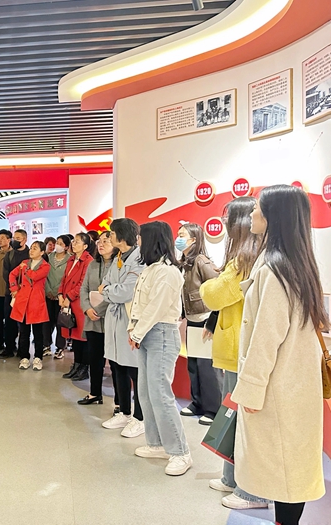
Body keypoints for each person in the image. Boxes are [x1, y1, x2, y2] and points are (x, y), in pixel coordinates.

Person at [231, 185, 327, 525]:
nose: (252, 213)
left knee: (283, 472)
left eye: (258, 208)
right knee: (291, 470)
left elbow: (265, 340)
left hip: (278, 388)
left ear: (275, 216)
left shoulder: (274, 270)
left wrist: (251, 390)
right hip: (296, 384)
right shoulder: (298, 265)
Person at [200, 197, 269, 510]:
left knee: (242, 422)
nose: (224, 222)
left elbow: (213, 295)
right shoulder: (246, 256)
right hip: (234, 350)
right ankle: (232, 477)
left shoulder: (245, 259)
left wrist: (211, 284)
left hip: (241, 351)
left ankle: (251, 490)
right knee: (231, 417)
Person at [126, 222, 191, 475]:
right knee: (145, 392)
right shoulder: (151, 269)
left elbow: (157, 307)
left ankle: (180, 452)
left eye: (141, 237)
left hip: (161, 334)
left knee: (161, 394)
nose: (138, 241)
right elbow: (139, 305)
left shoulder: (168, 272)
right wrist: (134, 329)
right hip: (146, 334)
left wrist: (137, 331)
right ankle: (157, 444)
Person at [101, 218, 146, 436]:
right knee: (117, 366)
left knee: (134, 371)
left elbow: (125, 292)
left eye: (111, 233)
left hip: (129, 321)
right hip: (115, 320)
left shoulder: (139, 260)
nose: (108, 237)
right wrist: (109, 290)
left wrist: (108, 291)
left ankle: (140, 417)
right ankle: (124, 412)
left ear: (121, 235)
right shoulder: (118, 258)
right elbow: (106, 283)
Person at [176, 223, 221, 425]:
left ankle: (213, 409)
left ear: (194, 239)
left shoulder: (202, 261)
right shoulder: (184, 263)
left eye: (182, 235)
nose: (178, 238)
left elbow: (217, 287)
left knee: (207, 366)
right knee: (193, 363)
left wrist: (213, 319)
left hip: (205, 319)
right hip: (192, 319)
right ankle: (197, 403)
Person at [77, 231, 116, 404]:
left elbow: (117, 292)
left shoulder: (119, 265)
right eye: (99, 241)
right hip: (92, 319)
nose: (101, 244)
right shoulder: (93, 264)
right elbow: (83, 289)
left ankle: (119, 401)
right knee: (95, 359)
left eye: (106, 241)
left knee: (115, 363)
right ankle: (94, 393)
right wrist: (87, 309)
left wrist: (98, 310)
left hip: (111, 319)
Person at [58, 233, 94, 381]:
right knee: (74, 337)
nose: (73, 243)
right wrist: (60, 294)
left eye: (77, 242)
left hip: (79, 303)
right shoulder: (71, 259)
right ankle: (76, 365)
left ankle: (84, 368)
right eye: (73, 241)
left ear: (85, 246)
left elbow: (82, 283)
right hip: (67, 302)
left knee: (82, 337)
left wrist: (69, 297)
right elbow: (64, 279)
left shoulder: (88, 261)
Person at [9, 241, 50, 370]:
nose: (31, 250)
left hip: (36, 301)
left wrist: (25, 269)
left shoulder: (45, 266)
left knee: (38, 333)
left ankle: (38, 358)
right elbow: (12, 274)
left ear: (42, 252)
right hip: (23, 301)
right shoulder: (25, 262)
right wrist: (14, 289)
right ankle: (24, 357)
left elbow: (35, 276)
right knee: (24, 332)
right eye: (31, 248)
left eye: (35, 248)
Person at [0, 229, 30, 359]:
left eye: (18, 238)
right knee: (9, 321)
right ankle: (9, 347)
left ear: (24, 240)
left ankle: (23, 350)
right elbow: (6, 273)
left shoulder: (30, 254)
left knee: (24, 323)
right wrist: (14, 289)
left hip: (27, 294)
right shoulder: (9, 255)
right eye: (14, 238)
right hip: (11, 293)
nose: (14, 241)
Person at [44, 234, 71, 359]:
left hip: (62, 297)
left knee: (61, 322)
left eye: (61, 244)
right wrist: (48, 290)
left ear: (66, 247)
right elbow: (44, 275)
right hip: (48, 294)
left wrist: (59, 293)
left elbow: (68, 279)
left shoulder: (70, 259)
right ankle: (46, 345)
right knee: (47, 322)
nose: (57, 246)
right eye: (57, 243)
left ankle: (60, 347)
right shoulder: (49, 257)